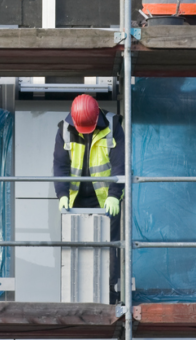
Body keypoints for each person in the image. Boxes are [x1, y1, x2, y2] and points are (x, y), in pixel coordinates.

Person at [52, 94, 125, 304]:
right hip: (74, 200)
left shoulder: (113, 126)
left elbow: (120, 163)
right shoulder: (64, 129)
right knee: (74, 246)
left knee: (110, 248)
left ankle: (110, 295)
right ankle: (73, 299)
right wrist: (62, 194)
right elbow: (60, 165)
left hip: (105, 201)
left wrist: (114, 195)